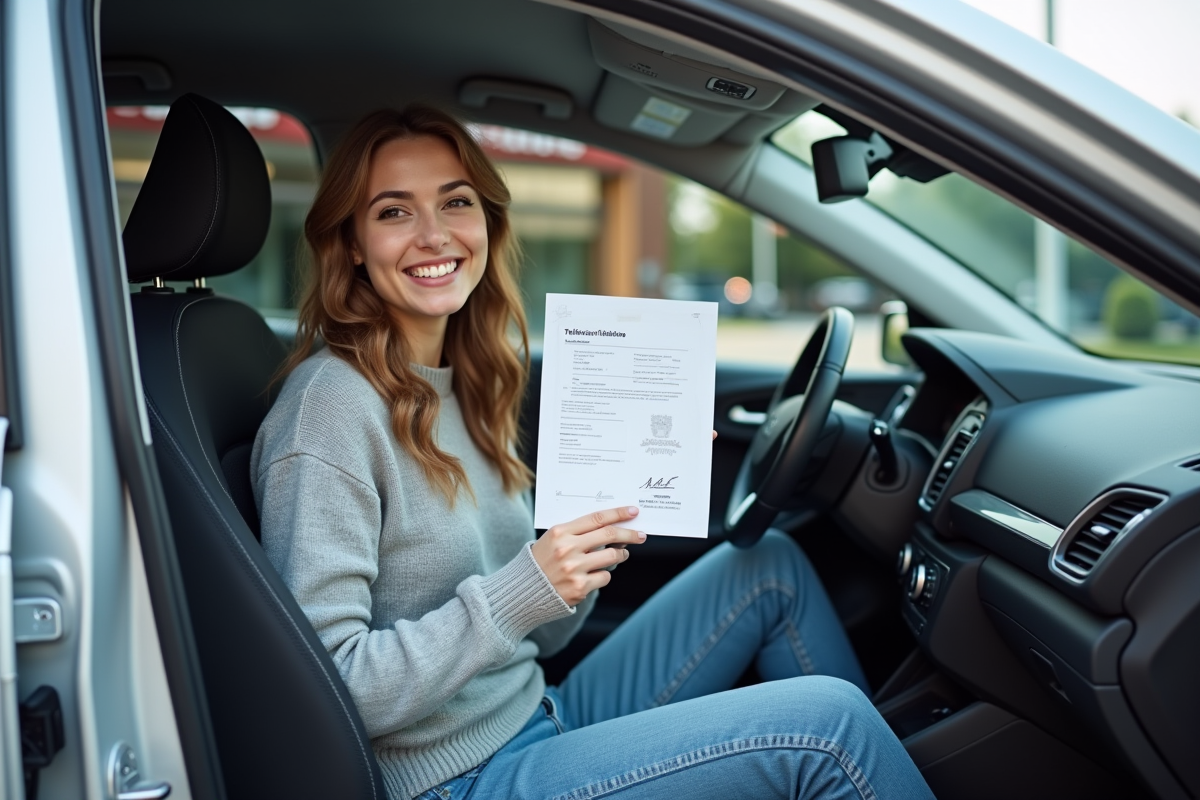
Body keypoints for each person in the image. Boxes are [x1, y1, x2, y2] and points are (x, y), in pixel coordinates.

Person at [251, 105, 934, 800]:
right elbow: (328, 689)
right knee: (831, 728)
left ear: (486, 221)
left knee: (769, 568)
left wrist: (613, 510)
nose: (434, 236)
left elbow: (539, 638)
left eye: (455, 202)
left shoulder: (467, 381)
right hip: (461, 779)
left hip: (538, 710)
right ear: (353, 244)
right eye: (394, 213)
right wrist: (520, 594)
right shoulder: (328, 410)